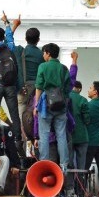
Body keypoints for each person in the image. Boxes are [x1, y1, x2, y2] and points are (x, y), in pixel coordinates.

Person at [0, 12, 24, 157]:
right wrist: (7, 23)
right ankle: (18, 140)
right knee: (14, 114)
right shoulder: (10, 47)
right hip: (11, 87)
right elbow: (10, 36)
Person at [34, 43, 71, 179]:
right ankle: (64, 165)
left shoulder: (43, 67)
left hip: (46, 104)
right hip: (61, 105)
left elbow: (38, 86)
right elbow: (68, 88)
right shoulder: (63, 68)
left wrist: (36, 105)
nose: (43, 55)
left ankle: (44, 163)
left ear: (48, 53)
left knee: (44, 135)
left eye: (44, 53)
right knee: (61, 135)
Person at [68, 51, 90, 197]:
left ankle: (69, 190)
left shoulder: (66, 96)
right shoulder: (83, 100)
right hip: (82, 136)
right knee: (81, 166)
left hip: (69, 135)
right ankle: (81, 191)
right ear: (80, 89)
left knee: (69, 164)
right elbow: (87, 119)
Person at [14, 26, 45, 127]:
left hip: (23, 88)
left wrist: (12, 26)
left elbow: (7, 42)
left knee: (22, 116)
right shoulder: (42, 55)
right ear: (38, 40)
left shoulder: (19, 51)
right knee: (37, 115)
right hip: (38, 89)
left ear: (25, 39)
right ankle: (36, 138)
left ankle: (24, 140)